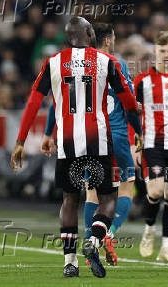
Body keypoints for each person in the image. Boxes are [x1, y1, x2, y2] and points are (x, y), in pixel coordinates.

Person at [10, 16, 138, 278]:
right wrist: (140, 131)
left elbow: (35, 103)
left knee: (70, 199)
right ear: (90, 33)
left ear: (69, 38)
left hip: (67, 143)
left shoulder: (53, 62)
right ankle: (93, 241)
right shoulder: (107, 62)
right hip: (99, 142)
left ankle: (70, 262)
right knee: (108, 198)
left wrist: (21, 141)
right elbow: (129, 104)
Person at [40, 23, 142, 266]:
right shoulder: (113, 63)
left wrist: (48, 133)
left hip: (79, 138)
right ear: (106, 40)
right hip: (112, 135)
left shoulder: (68, 65)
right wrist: (138, 132)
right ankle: (104, 236)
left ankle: (84, 246)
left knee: (88, 193)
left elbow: (56, 103)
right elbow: (129, 104)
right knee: (125, 188)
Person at [135, 31, 168, 262]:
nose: (166, 55)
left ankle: (167, 248)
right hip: (151, 143)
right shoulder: (142, 81)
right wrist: (134, 143)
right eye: (162, 50)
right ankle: (149, 228)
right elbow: (131, 114)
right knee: (155, 191)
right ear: (155, 51)